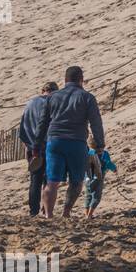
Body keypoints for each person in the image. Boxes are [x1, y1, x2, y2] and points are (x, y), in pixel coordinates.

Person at [33, 66, 104, 222]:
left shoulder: (52, 97)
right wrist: (99, 145)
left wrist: (37, 146)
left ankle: (48, 215)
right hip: (76, 142)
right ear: (81, 80)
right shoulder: (87, 97)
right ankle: (66, 212)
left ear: (65, 80)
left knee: (52, 181)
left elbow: (42, 123)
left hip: (55, 141)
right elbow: (96, 123)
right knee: (76, 181)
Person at [19, 81, 58, 217]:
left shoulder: (30, 103)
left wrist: (27, 146)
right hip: (49, 144)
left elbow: (22, 127)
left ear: (43, 90)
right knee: (49, 180)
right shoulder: (53, 103)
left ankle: (33, 211)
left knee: (35, 180)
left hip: (32, 146)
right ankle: (45, 209)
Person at [83, 137, 117, 220]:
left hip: (87, 178)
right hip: (98, 178)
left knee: (88, 195)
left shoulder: (88, 153)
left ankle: (86, 213)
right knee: (96, 196)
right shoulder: (104, 154)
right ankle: (89, 215)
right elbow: (108, 163)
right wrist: (114, 169)